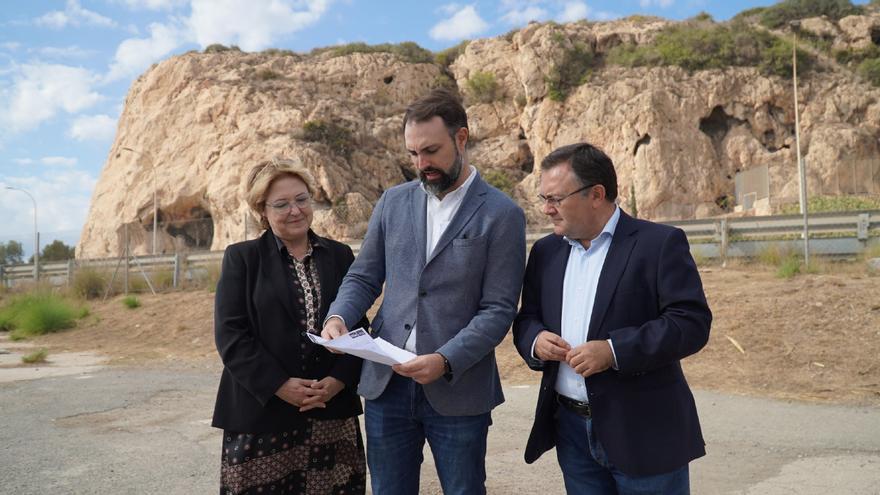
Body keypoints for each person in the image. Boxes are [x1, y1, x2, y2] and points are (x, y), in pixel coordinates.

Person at [321, 88, 526, 494]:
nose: (421, 164)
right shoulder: (392, 202)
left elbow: (498, 309)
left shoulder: (503, 214)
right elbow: (364, 276)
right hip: (386, 384)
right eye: (413, 154)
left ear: (461, 139)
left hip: (459, 388)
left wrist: (445, 360)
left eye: (430, 151)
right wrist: (337, 317)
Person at [512, 142, 712, 494]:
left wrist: (613, 350)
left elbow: (691, 323)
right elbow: (527, 319)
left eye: (556, 199)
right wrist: (535, 341)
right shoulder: (545, 253)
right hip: (570, 430)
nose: (546, 210)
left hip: (644, 431)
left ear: (596, 194)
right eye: (543, 198)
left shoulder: (658, 244)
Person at [212, 158, 368, 495]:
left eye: (301, 199)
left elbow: (359, 328)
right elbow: (231, 335)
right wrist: (280, 385)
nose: (294, 210)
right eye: (281, 204)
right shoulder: (242, 258)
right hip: (263, 414)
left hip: (331, 412)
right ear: (262, 211)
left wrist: (338, 381)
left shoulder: (339, 256)